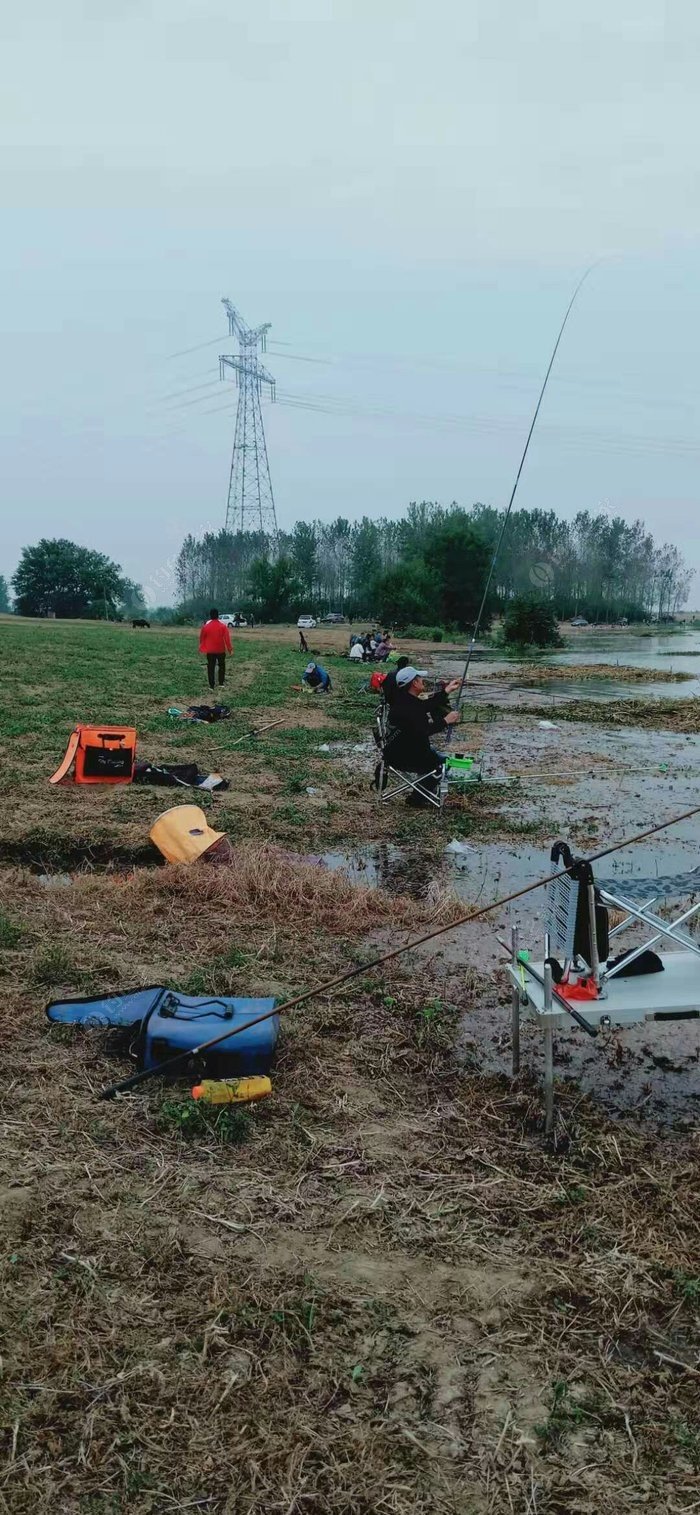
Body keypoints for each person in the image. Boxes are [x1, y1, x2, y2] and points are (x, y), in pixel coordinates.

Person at [383, 666, 461, 803]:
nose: (423, 680)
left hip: (397, 752)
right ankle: (418, 798)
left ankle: (421, 791)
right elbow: (424, 731)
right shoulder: (408, 706)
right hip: (406, 758)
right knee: (443, 763)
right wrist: (446, 720)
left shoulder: (404, 700)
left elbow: (426, 706)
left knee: (437, 755)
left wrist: (447, 690)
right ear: (414, 683)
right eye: (420, 678)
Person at [198, 608, 233, 691]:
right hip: (220, 649)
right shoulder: (223, 626)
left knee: (210, 667)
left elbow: (202, 639)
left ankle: (211, 686)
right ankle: (221, 683)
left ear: (210, 616)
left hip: (210, 651)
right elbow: (227, 639)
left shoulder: (206, 627)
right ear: (218, 615)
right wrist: (230, 649)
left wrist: (201, 648)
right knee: (222, 666)